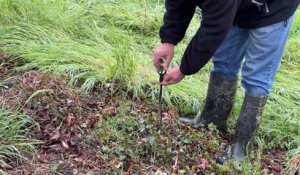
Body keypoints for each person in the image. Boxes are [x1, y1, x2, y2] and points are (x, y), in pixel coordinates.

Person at [152, 0, 299, 165]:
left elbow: (213, 28)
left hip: (273, 9)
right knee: (224, 62)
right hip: (236, 8)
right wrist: (168, 40)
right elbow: (178, 3)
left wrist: (184, 68)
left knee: (256, 78)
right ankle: (212, 121)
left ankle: (241, 149)